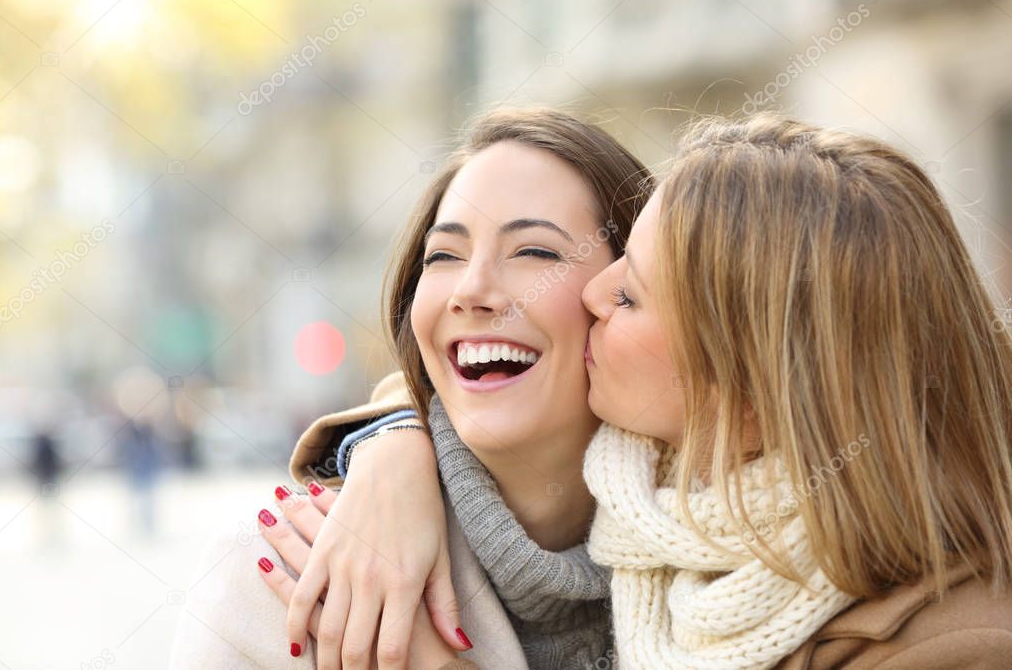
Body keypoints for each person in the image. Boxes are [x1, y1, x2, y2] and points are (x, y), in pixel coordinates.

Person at [272, 115, 1012, 668]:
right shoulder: (658, 508)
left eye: (628, 295)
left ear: (751, 380)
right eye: (444, 253)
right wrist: (391, 446)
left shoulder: (958, 642)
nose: (587, 293)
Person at [169, 106, 653, 669]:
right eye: (444, 255)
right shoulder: (279, 579)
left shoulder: (742, 556)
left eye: (535, 252)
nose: (471, 290)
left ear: (630, 293)